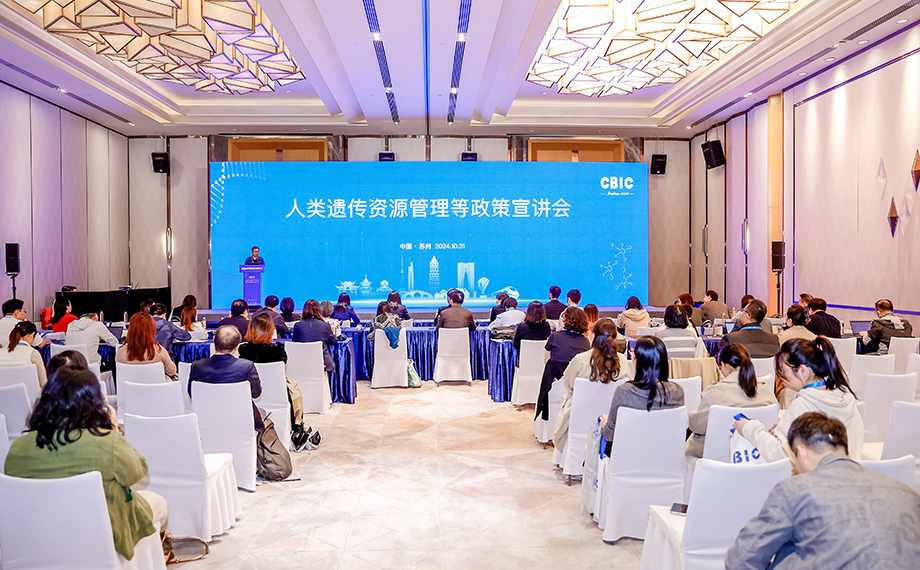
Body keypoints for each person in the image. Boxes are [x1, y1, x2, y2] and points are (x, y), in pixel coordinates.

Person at [4, 365, 167, 560]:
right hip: (101, 538)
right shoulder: (108, 441)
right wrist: (114, 428)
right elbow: (137, 471)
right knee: (158, 501)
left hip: (37, 542)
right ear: (94, 402)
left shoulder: (17, 448)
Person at [726, 413, 920, 570]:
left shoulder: (793, 490)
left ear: (801, 453)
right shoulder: (908, 494)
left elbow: (741, 560)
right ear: (847, 453)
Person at [733, 337, 863, 462]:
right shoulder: (846, 399)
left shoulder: (803, 404)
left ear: (802, 371)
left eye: (783, 371)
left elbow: (780, 454)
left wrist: (750, 428)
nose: (780, 378)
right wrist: (790, 429)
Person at [685, 343, 777, 457]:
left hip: (715, 455)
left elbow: (696, 425)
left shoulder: (714, 392)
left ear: (725, 366)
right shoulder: (766, 390)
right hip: (756, 454)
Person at [554, 319, 631, 452]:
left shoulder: (580, 359)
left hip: (580, 416)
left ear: (593, 335)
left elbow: (568, 384)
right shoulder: (623, 361)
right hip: (612, 419)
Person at [600, 336, 684, 456]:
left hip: (629, 457)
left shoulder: (624, 392)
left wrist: (605, 424)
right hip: (664, 455)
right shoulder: (677, 392)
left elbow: (610, 435)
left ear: (637, 362)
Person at [238, 313, 305, 437]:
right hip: (278, 393)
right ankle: (297, 427)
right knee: (295, 389)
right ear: (270, 331)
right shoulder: (278, 350)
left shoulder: (243, 351)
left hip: (251, 394)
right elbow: (281, 373)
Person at [189, 325, 263, 430]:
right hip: (241, 422)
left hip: (206, 421)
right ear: (237, 346)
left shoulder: (197, 366)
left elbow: (192, 394)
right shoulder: (246, 366)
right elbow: (256, 394)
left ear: (214, 340)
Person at [535, 307, 592, 421]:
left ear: (566, 320)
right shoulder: (585, 342)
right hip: (575, 389)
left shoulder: (555, 337)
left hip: (553, 387)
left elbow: (547, 362)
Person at [115, 312, 177, 379]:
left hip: (128, 385)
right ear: (152, 329)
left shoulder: (120, 352)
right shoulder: (159, 351)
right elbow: (171, 371)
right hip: (155, 385)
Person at [293, 300, 338, 375]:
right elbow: (333, 341)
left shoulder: (297, 326)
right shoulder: (324, 325)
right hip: (322, 364)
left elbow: (295, 342)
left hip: (301, 363)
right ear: (319, 310)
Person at [0, 320, 48, 388]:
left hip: (3, 394)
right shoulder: (33, 354)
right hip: (30, 394)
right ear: (31, 335)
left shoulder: (1, 352)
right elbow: (43, 382)